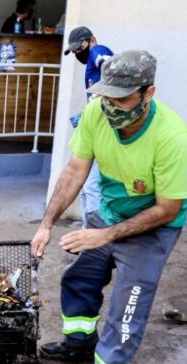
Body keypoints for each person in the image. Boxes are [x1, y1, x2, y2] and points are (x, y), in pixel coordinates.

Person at [31, 51, 187, 364]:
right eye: (107, 95)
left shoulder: (173, 138)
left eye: (122, 98)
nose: (111, 106)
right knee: (79, 277)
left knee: (127, 310)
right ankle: (78, 342)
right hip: (107, 211)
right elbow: (75, 170)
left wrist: (105, 235)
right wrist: (47, 223)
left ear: (148, 93)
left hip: (153, 227)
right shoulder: (96, 112)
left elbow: (167, 209)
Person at [64, 26, 113, 227]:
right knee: (86, 187)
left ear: (91, 40)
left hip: (105, 130)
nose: (77, 52)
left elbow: (110, 66)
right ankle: (86, 230)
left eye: (79, 47)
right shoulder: (90, 59)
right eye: (74, 50)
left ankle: (92, 234)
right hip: (95, 129)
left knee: (92, 186)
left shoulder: (97, 50)